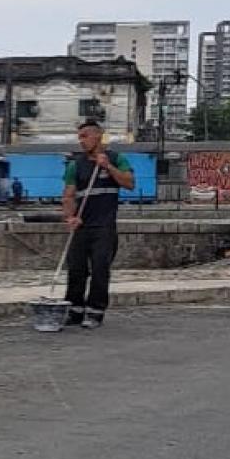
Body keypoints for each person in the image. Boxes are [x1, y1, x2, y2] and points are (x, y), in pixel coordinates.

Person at [61, 120, 135, 329]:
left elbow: (129, 183)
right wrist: (70, 217)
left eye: (85, 136)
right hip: (81, 226)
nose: (81, 141)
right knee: (76, 269)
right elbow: (68, 195)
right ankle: (75, 310)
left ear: (98, 136)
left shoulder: (117, 159)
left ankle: (95, 311)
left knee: (100, 270)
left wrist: (108, 167)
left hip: (104, 227)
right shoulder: (75, 165)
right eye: (79, 137)